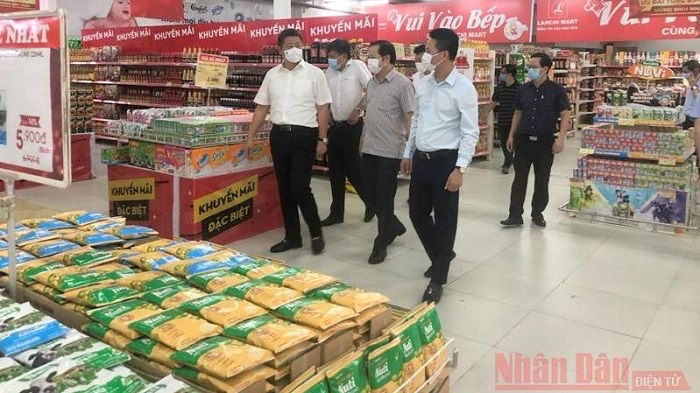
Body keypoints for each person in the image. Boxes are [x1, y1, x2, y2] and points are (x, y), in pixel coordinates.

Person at [401, 28, 479, 304]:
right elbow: (417, 120)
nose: (423, 55)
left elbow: (470, 132)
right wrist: (408, 151)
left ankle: (439, 278)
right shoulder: (423, 83)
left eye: (428, 49)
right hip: (421, 158)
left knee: (446, 220)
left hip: (446, 161)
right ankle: (442, 253)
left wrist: (460, 169)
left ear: (444, 55)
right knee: (417, 213)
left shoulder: (464, 88)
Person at [247, 29, 332, 255]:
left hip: (305, 135)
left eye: (297, 44)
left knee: (300, 187)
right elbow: (262, 107)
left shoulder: (315, 74)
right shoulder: (272, 75)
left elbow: (323, 107)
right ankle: (292, 237)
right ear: (280, 49)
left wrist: (323, 138)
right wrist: (251, 136)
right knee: (284, 189)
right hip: (279, 135)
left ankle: (315, 233)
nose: (294, 49)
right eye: (289, 45)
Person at [500, 53, 571, 228]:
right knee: (519, 180)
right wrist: (511, 135)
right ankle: (515, 215)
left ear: (545, 69)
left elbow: (565, 114)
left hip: (545, 142)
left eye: (533, 67)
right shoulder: (523, 89)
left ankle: (537, 213)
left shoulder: (557, 90)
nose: (529, 70)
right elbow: (518, 113)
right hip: (523, 141)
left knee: (542, 180)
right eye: (529, 67)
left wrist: (561, 139)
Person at [362, 40, 415, 265]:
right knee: (368, 194)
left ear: (385, 59)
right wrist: (361, 141)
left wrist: (409, 152)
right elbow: (369, 113)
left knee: (384, 198)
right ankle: (393, 226)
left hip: (390, 150)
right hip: (369, 148)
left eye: (372, 56)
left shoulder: (403, 84)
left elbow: (410, 117)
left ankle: (381, 242)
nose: (368, 60)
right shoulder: (371, 82)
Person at [321, 39, 375, 227]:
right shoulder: (329, 72)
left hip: (353, 126)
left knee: (354, 170)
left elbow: (372, 89)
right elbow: (325, 97)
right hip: (335, 126)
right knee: (335, 171)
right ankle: (336, 213)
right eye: (329, 57)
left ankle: (371, 203)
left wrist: (359, 109)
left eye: (333, 57)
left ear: (344, 56)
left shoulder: (358, 67)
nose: (330, 61)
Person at [490, 64, 520, 174]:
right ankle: (509, 159)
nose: (501, 75)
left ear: (510, 74)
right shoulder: (500, 87)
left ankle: (507, 163)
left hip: (514, 121)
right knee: (503, 142)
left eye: (503, 73)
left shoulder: (519, 88)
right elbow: (494, 101)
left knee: (512, 142)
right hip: (502, 119)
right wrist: (484, 112)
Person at [681, 59, 700, 130]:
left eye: (686, 72)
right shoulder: (692, 81)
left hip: (694, 120)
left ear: (695, 71)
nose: (684, 74)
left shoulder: (695, 83)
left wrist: (693, 86)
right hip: (687, 118)